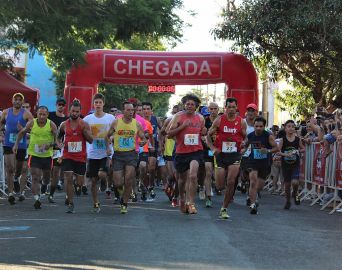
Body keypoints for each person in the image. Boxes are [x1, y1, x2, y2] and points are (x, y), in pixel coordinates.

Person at [207, 97, 247, 219]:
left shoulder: (241, 122)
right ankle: (217, 185)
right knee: (220, 186)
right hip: (220, 154)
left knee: (231, 181)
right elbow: (208, 136)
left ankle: (224, 208)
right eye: (229, 107)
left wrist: (244, 146)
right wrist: (212, 148)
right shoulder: (219, 120)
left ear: (236, 108)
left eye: (233, 107)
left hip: (235, 154)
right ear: (225, 108)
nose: (231, 109)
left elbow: (246, 138)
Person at [167, 94, 206, 214]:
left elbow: (203, 133)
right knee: (182, 180)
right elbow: (169, 134)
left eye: (192, 104)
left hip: (196, 151)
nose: (189, 106)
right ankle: (182, 199)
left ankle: (191, 202)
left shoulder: (200, 118)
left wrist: (204, 133)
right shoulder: (178, 117)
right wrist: (182, 126)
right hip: (181, 152)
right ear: (184, 105)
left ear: (196, 106)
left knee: (193, 175)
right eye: (187, 104)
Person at [106, 101, 146, 214]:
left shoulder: (137, 124)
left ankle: (124, 203)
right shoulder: (116, 122)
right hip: (118, 155)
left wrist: (143, 141)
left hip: (131, 154)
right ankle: (121, 191)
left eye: (132, 110)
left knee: (128, 178)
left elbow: (143, 137)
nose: (130, 112)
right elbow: (107, 136)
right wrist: (108, 147)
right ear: (123, 111)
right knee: (117, 182)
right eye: (128, 110)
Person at [13, 106, 57, 209]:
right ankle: (37, 199)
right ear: (36, 114)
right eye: (39, 114)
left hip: (47, 156)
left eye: (44, 114)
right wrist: (16, 145)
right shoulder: (32, 123)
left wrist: (50, 144)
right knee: (35, 176)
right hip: (34, 155)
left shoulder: (51, 124)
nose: (41, 116)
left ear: (47, 115)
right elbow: (21, 133)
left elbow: (57, 140)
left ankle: (45, 184)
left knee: (46, 178)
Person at [57, 100, 93, 213]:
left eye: (77, 111)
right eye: (73, 111)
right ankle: (71, 203)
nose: (75, 113)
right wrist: (59, 144)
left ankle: (78, 187)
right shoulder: (64, 125)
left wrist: (84, 132)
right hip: (67, 155)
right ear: (69, 111)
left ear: (80, 112)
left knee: (79, 181)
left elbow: (91, 140)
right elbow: (58, 137)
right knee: (68, 178)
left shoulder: (84, 124)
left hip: (80, 156)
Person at [83, 93, 115, 212]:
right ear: (93, 104)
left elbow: (115, 132)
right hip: (92, 152)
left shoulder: (110, 118)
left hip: (106, 152)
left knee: (101, 174)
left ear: (103, 104)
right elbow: (83, 132)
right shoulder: (88, 119)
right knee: (93, 181)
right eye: (96, 102)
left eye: (100, 102)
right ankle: (96, 202)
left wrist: (111, 139)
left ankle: (104, 181)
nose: (98, 105)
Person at [0, 93, 33, 204]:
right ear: (12, 100)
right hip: (8, 143)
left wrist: (24, 129)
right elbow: (1, 124)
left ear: (22, 102)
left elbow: (33, 128)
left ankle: (16, 179)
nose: (17, 101)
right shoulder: (5, 112)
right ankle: (10, 193)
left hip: (21, 144)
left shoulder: (26, 114)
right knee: (10, 168)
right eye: (16, 99)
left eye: (20, 100)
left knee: (20, 169)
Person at [242, 117, 278, 214]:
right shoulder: (250, 136)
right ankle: (253, 204)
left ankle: (253, 195)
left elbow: (276, 148)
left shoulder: (268, 136)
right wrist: (241, 151)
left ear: (264, 127)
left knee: (259, 186)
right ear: (253, 126)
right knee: (253, 181)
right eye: (256, 126)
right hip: (253, 162)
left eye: (261, 126)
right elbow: (245, 147)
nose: (258, 128)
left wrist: (268, 151)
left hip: (264, 163)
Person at [278, 120, 305, 210]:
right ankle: (288, 201)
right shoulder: (283, 140)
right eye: (289, 126)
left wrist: (298, 151)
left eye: (293, 127)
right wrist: (286, 154)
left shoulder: (297, 139)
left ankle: (295, 192)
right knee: (287, 185)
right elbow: (278, 151)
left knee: (295, 182)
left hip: (295, 164)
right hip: (285, 165)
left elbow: (303, 149)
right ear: (285, 128)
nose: (291, 128)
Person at [48, 97, 68, 199]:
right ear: (56, 105)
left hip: (58, 147)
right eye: (59, 104)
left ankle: (51, 193)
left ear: (65, 107)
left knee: (56, 170)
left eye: (63, 105)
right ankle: (46, 183)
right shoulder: (49, 115)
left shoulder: (66, 119)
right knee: (48, 170)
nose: (60, 106)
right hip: (46, 146)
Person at [142, 102, 162, 199]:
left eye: (148, 109)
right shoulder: (139, 121)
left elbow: (163, 132)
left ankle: (151, 184)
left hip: (153, 146)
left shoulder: (156, 119)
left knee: (152, 167)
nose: (146, 111)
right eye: (144, 109)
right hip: (142, 147)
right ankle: (144, 186)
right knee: (144, 169)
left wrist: (161, 145)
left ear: (151, 111)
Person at [202, 102, 219, 208]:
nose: (213, 111)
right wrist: (206, 140)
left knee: (217, 175)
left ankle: (216, 186)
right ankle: (208, 196)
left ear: (218, 109)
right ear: (208, 110)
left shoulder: (222, 120)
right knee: (208, 172)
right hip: (207, 150)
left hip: (219, 150)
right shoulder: (204, 121)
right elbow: (201, 134)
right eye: (211, 109)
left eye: (215, 108)